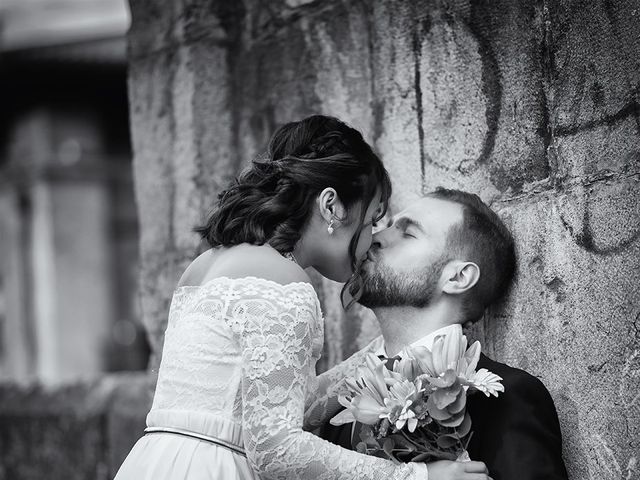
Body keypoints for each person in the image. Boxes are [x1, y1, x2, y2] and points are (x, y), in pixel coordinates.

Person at [114, 117, 491, 480]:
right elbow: (275, 449)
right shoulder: (285, 284)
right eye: (373, 220)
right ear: (331, 206)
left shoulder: (206, 265)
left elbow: (268, 407)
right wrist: (417, 475)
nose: (372, 240)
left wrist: (385, 356)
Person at [319, 188, 569, 480]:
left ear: (458, 277)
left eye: (408, 233)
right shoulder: (340, 404)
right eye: (388, 227)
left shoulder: (505, 398)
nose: (375, 237)